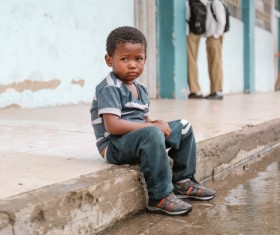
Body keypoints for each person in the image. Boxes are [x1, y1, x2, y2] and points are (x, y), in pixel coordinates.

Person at [90, 26, 215, 216]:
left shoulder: (140, 88)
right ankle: (160, 197)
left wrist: (155, 121)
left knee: (183, 126)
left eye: (138, 59)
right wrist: (151, 126)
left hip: (137, 138)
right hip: (114, 146)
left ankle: (182, 181)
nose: (132, 64)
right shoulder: (109, 87)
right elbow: (113, 126)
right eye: (124, 59)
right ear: (109, 60)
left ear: (145, 60)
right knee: (152, 132)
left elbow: (142, 119)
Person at [204, 0, 226, 99]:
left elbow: (222, 21)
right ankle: (213, 90)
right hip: (210, 37)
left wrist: (216, 35)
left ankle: (218, 91)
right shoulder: (209, 3)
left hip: (214, 37)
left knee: (216, 64)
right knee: (211, 65)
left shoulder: (216, 3)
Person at [186, 0, 208, 99]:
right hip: (197, 34)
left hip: (191, 34)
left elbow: (187, 17)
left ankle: (195, 90)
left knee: (191, 61)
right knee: (193, 60)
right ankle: (196, 89)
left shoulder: (190, 2)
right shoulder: (202, 2)